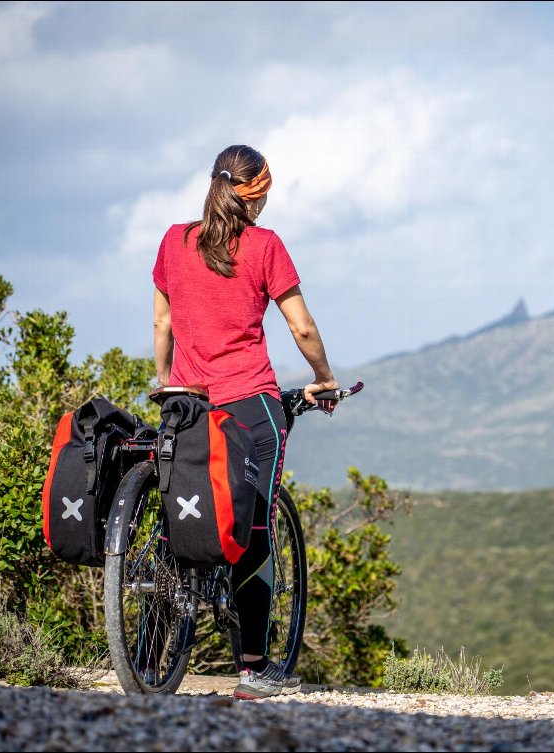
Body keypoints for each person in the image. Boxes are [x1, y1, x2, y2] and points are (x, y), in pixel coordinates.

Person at [151, 144, 338, 700]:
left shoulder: (173, 241)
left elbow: (163, 321)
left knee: (177, 505)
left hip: (186, 405)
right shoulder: (263, 245)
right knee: (255, 525)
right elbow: (301, 329)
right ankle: (252, 673)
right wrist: (324, 377)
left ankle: (150, 655)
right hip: (248, 405)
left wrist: (166, 383)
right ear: (255, 195)